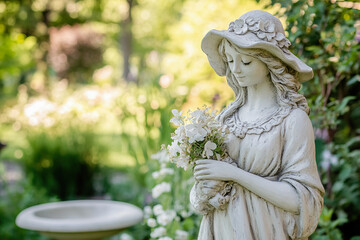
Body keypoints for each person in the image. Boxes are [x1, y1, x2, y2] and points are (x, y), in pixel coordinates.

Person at [190, 10, 324, 240]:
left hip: (266, 229)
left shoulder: (292, 120)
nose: (235, 69)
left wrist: (234, 174)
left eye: (246, 61)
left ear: (269, 61)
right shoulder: (225, 119)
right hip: (221, 231)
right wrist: (201, 192)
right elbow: (199, 197)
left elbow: (301, 200)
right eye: (230, 60)